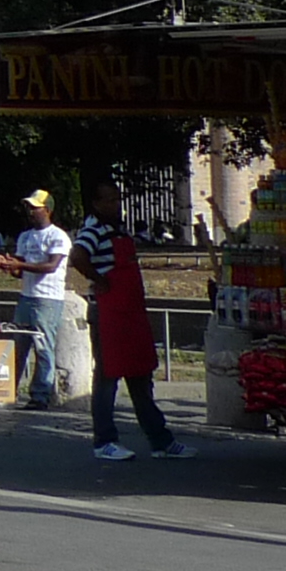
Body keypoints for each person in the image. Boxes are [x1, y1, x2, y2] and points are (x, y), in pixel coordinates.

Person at [70, 183, 188, 460]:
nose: (116, 205)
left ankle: (160, 440)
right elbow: (78, 256)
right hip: (108, 313)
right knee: (107, 377)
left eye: (117, 199)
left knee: (140, 375)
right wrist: (99, 280)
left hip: (130, 312)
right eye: (109, 200)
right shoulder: (93, 231)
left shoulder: (120, 231)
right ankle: (104, 441)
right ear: (97, 204)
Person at [0, 190, 73, 409]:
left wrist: (20, 265)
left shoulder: (58, 237)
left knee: (43, 347)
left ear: (47, 210)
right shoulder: (25, 236)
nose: (30, 212)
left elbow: (50, 266)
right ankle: (7, 390)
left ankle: (40, 395)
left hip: (48, 298)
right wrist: (8, 265)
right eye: (28, 207)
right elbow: (19, 269)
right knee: (18, 345)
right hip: (26, 296)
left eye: (35, 207)